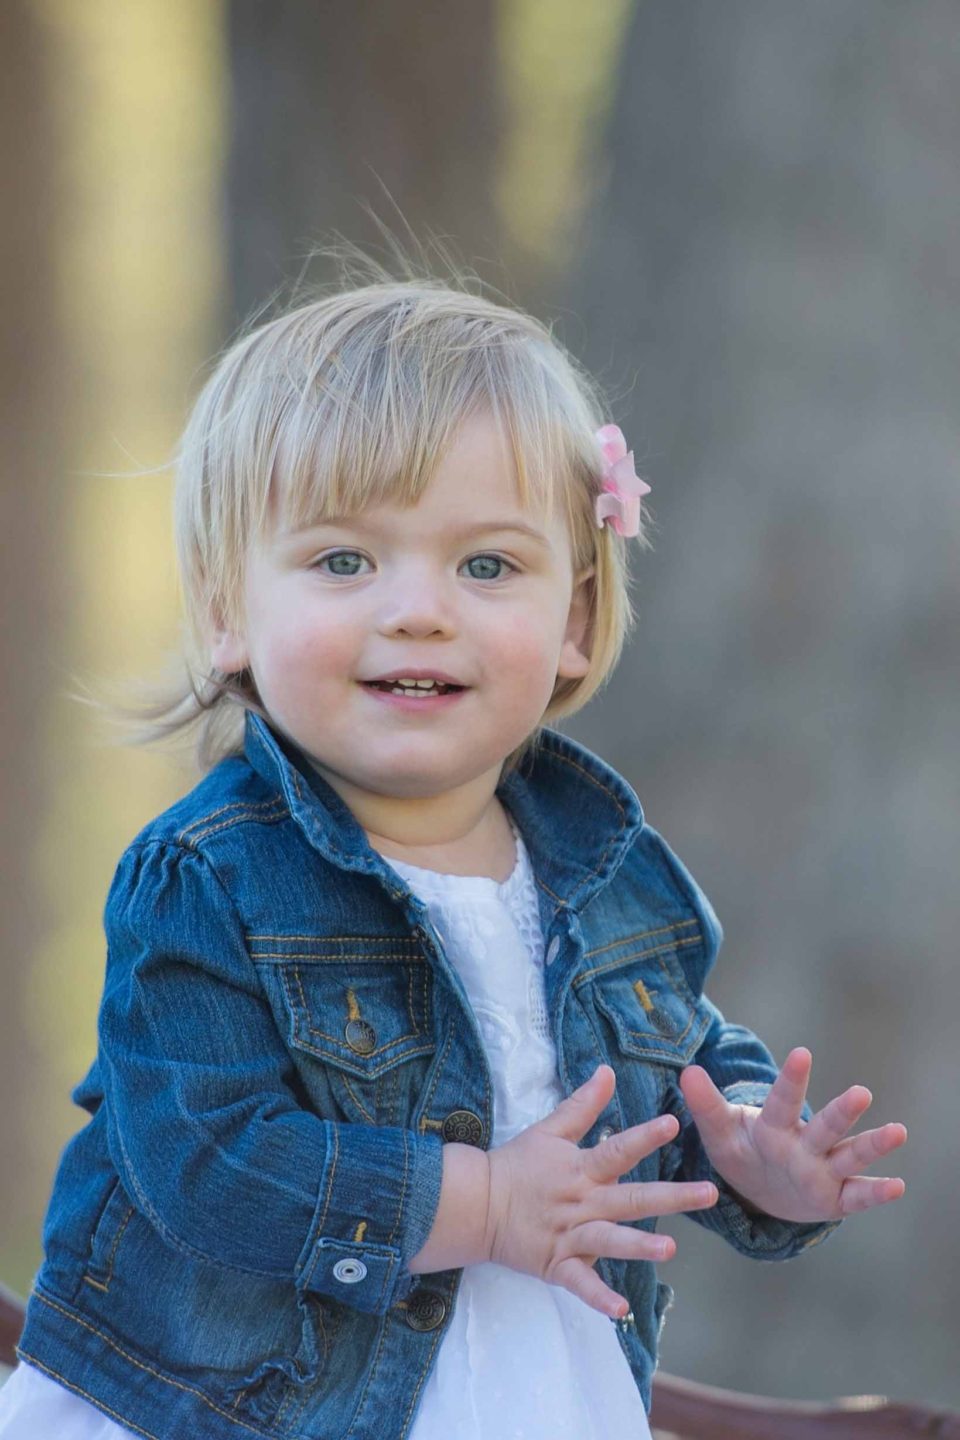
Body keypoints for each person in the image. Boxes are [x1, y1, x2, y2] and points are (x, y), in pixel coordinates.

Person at [0, 268, 907, 1440]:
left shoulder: (606, 867)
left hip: (528, 1393)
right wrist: (479, 1204)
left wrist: (750, 1159)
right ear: (227, 610)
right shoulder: (207, 876)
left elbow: (655, 1082)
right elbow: (207, 1161)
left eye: (486, 566)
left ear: (574, 619)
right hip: (237, 1410)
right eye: (344, 562)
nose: (419, 610)